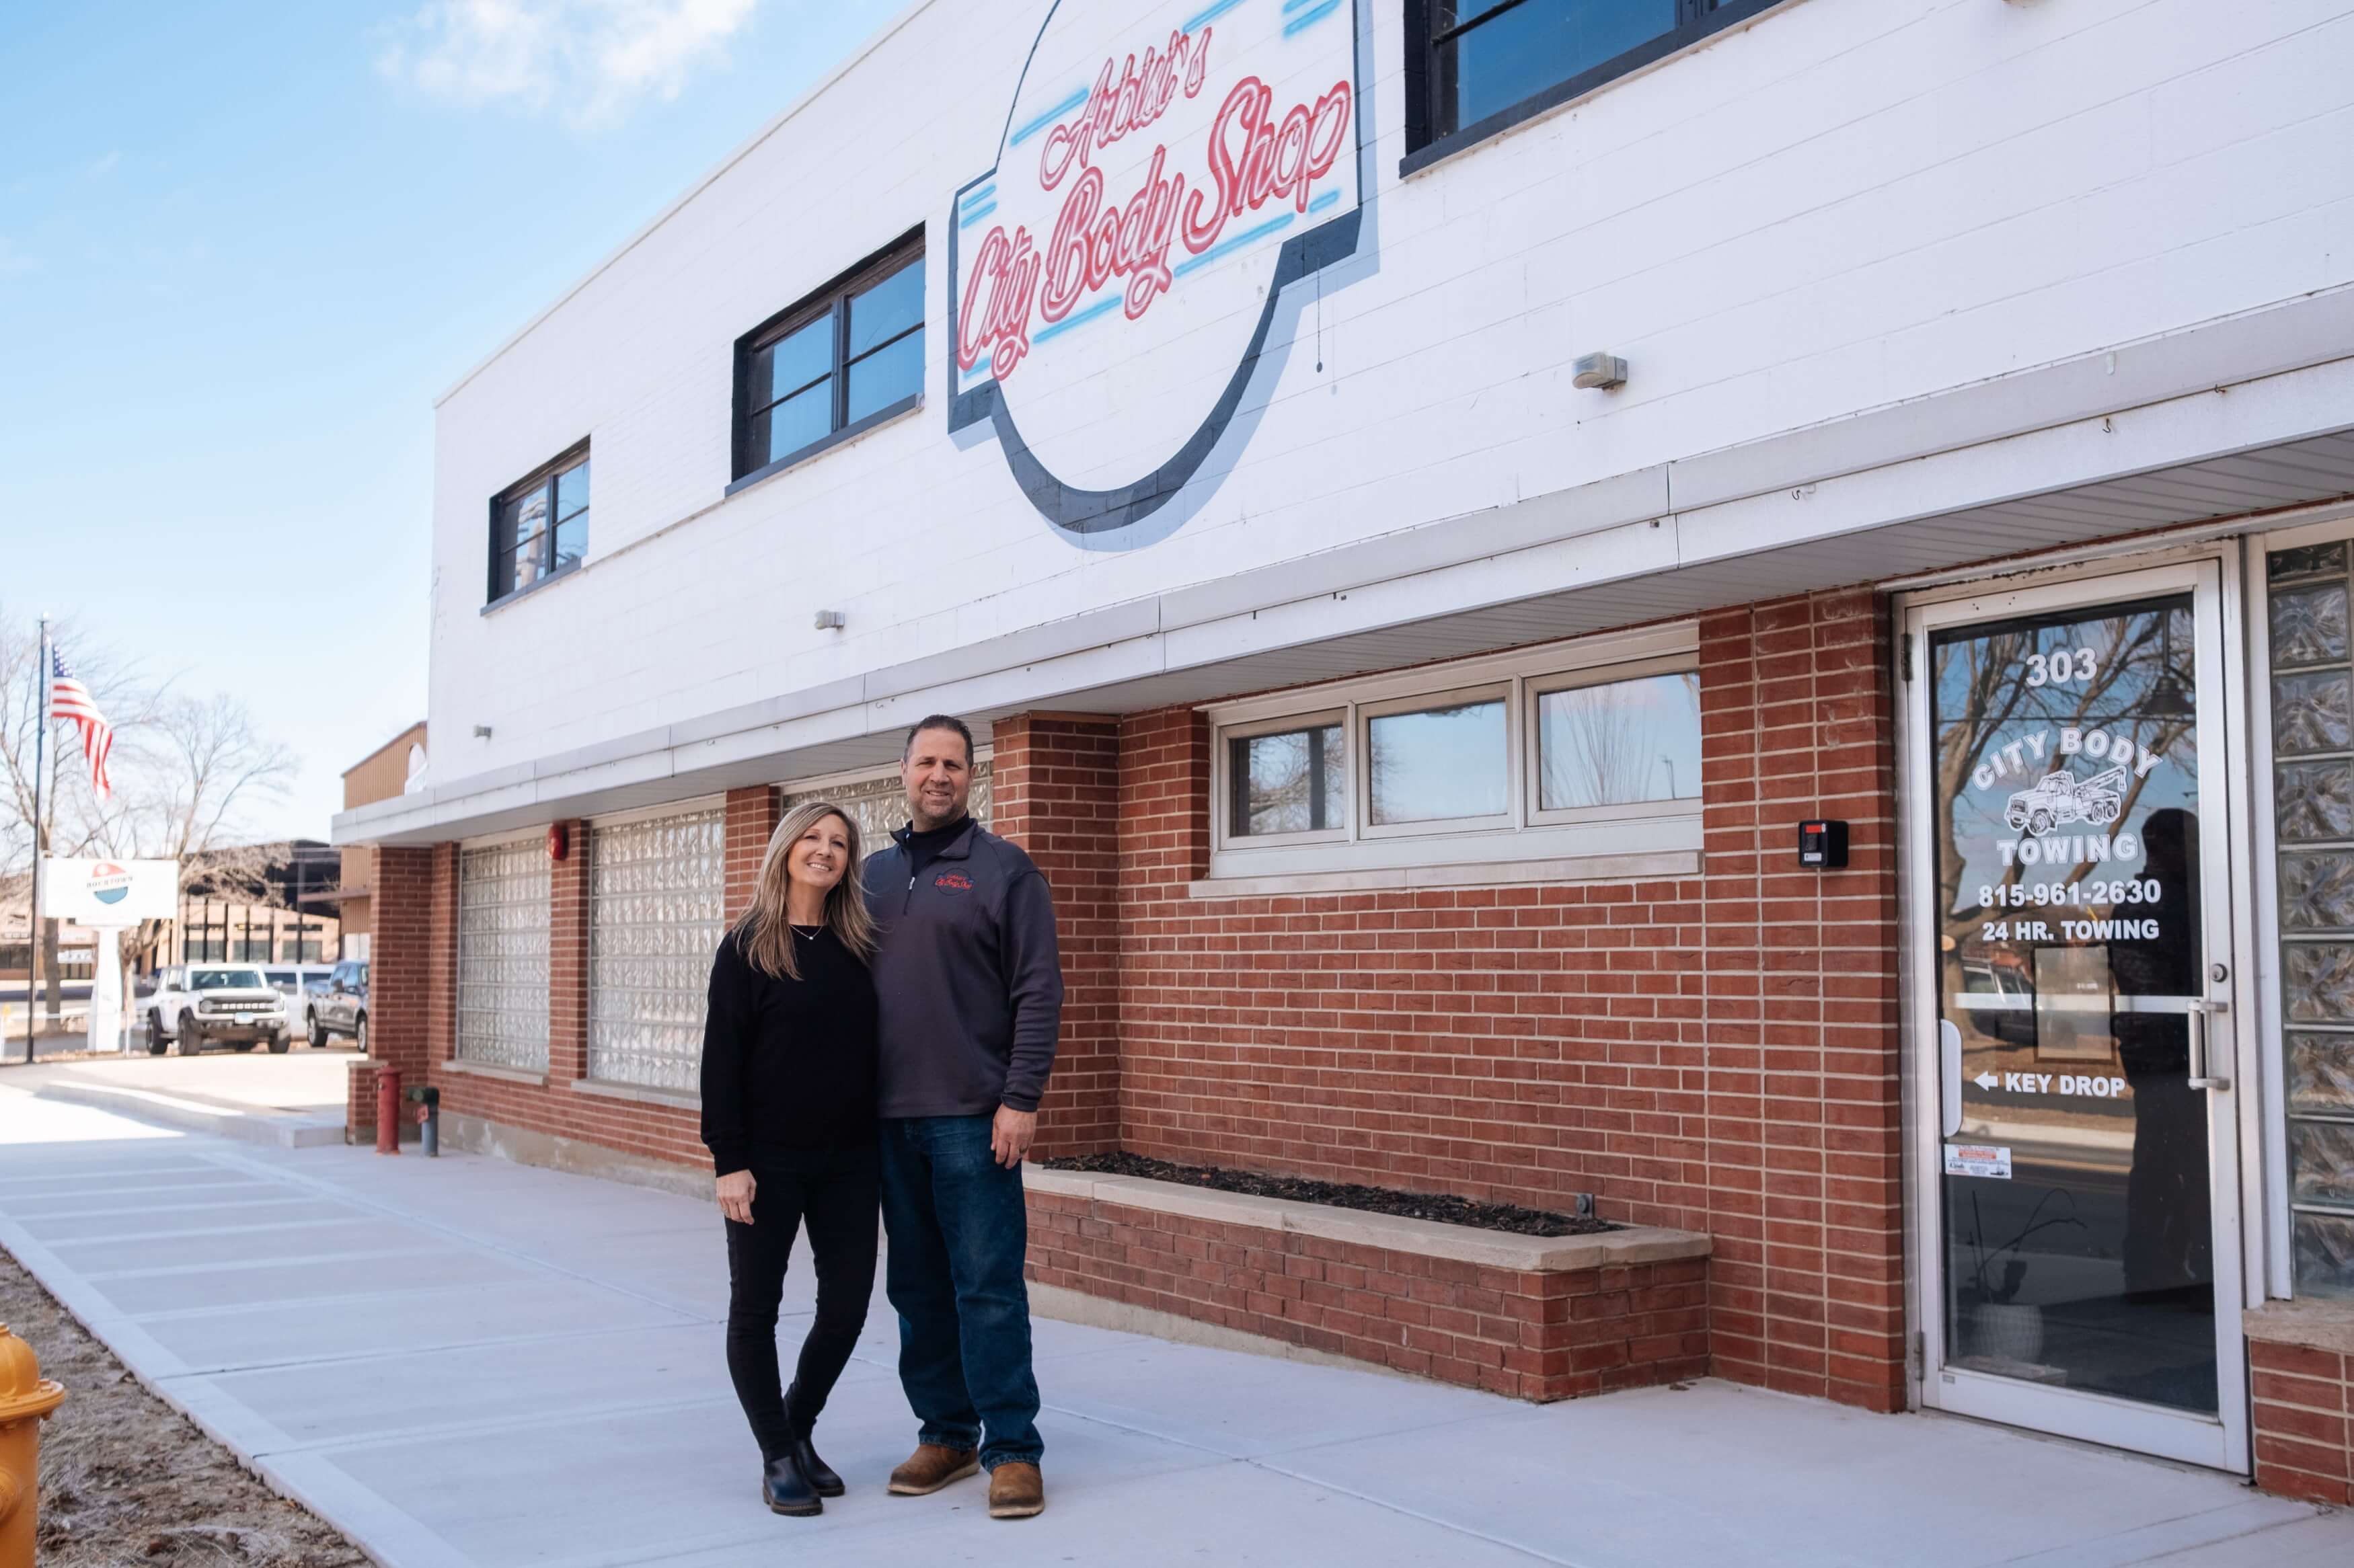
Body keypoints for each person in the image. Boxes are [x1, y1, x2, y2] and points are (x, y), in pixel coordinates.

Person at [863, 715, 1063, 1521]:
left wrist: (1021, 1098)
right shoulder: (871, 875)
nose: (938, 775)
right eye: (926, 761)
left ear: (971, 776)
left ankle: (1012, 1449)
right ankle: (946, 1434)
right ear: (903, 771)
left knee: (986, 1288)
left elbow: (1038, 989)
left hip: (973, 1120)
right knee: (915, 1287)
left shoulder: (1005, 870)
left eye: (953, 763)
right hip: (885, 1121)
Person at [700, 801, 882, 1518]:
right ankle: (777, 1455)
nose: (825, 850)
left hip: (850, 1162)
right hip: (765, 1163)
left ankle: (797, 1426)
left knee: (846, 1307)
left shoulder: (860, 945)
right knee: (755, 1310)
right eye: (812, 837)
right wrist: (729, 1160)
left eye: (838, 842)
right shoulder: (746, 946)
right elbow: (721, 1063)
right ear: (785, 848)